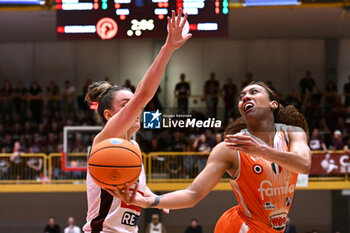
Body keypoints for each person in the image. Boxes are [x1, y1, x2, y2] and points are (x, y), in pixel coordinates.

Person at [120, 81, 311, 233]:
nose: (245, 97)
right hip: (242, 227)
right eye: (242, 96)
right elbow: (193, 194)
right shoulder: (230, 149)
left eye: (253, 92)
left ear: (273, 104)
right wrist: (151, 201)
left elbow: (303, 165)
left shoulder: (293, 133)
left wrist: (261, 150)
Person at [82, 9, 191, 233]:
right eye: (126, 105)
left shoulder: (133, 148)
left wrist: (153, 197)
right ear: (110, 116)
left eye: (134, 105)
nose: (136, 109)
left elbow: (136, 183)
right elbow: (144, 94)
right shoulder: (105, 140)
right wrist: (168, 48)